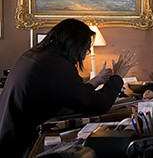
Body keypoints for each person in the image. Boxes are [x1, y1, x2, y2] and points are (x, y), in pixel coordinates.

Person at [0, 18, 137, 158]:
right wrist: (118, 76)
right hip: (20, 147)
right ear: (75, 44)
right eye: (86, 47)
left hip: (8, 136)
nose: (86, 53)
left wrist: (96, 81)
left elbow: (71, 93)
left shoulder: (39, 54)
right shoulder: (55, 65)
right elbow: (97, 104)